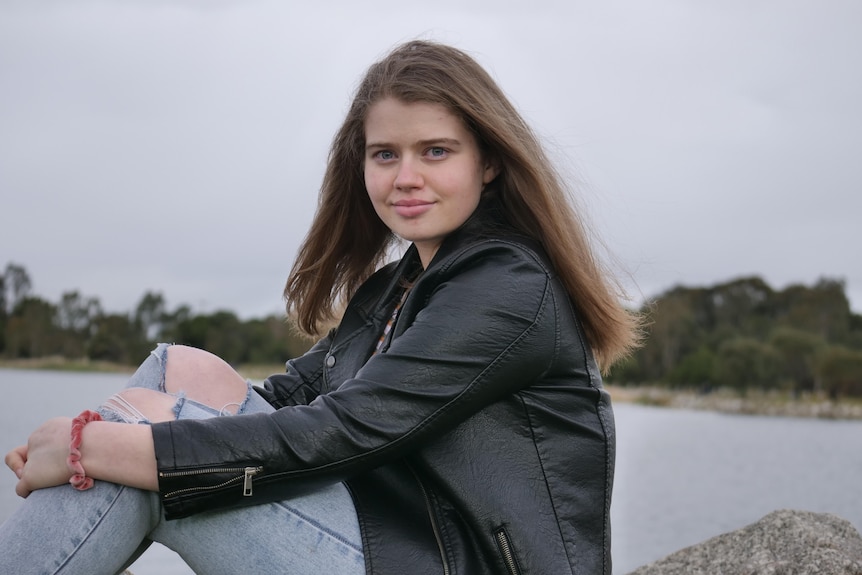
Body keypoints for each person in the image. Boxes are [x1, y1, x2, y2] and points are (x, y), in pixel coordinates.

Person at [1, 40, 639, 574]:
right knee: (178, 373)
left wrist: (89, 446)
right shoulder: (398, 283)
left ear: (490, 161)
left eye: (436, 151)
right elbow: (290, 399)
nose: (404, 177)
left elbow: (342, 432)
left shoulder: (507, 287)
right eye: (385, 154)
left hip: (460, 562)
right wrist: (121, 431)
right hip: (393, 536)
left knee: (134, 452)